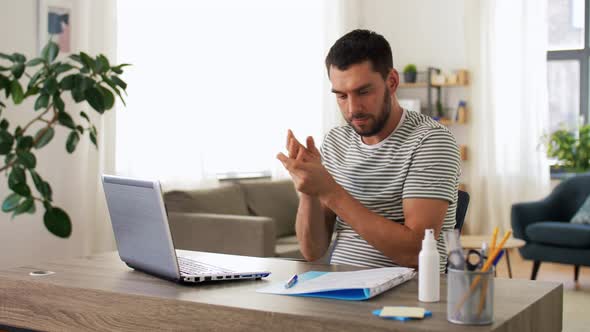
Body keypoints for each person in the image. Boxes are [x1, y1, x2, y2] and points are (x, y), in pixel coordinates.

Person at [276, 29, 460, 272]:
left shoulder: (431, 140)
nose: (353, 109)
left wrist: (329, 191)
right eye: (341, 96)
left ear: (392, 82)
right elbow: (312, 251)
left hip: (408, 293)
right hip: (340, 288)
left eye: (363, 92)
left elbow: (415, 252)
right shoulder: (336, 141)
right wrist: (309, 189)